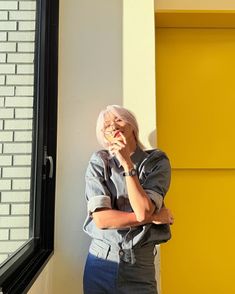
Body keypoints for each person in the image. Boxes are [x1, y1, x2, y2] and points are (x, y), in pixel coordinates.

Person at [83, 105, 174, 294]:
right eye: (107, 125)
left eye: (118, 120)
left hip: (139, 266)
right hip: (101, 261)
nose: (113, 126)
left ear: (132, 125)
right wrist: (151, 218)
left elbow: (143, 210)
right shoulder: (99, 161)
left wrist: (127, 164)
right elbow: (102, 220)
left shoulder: (157, 162)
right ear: (104, 136)